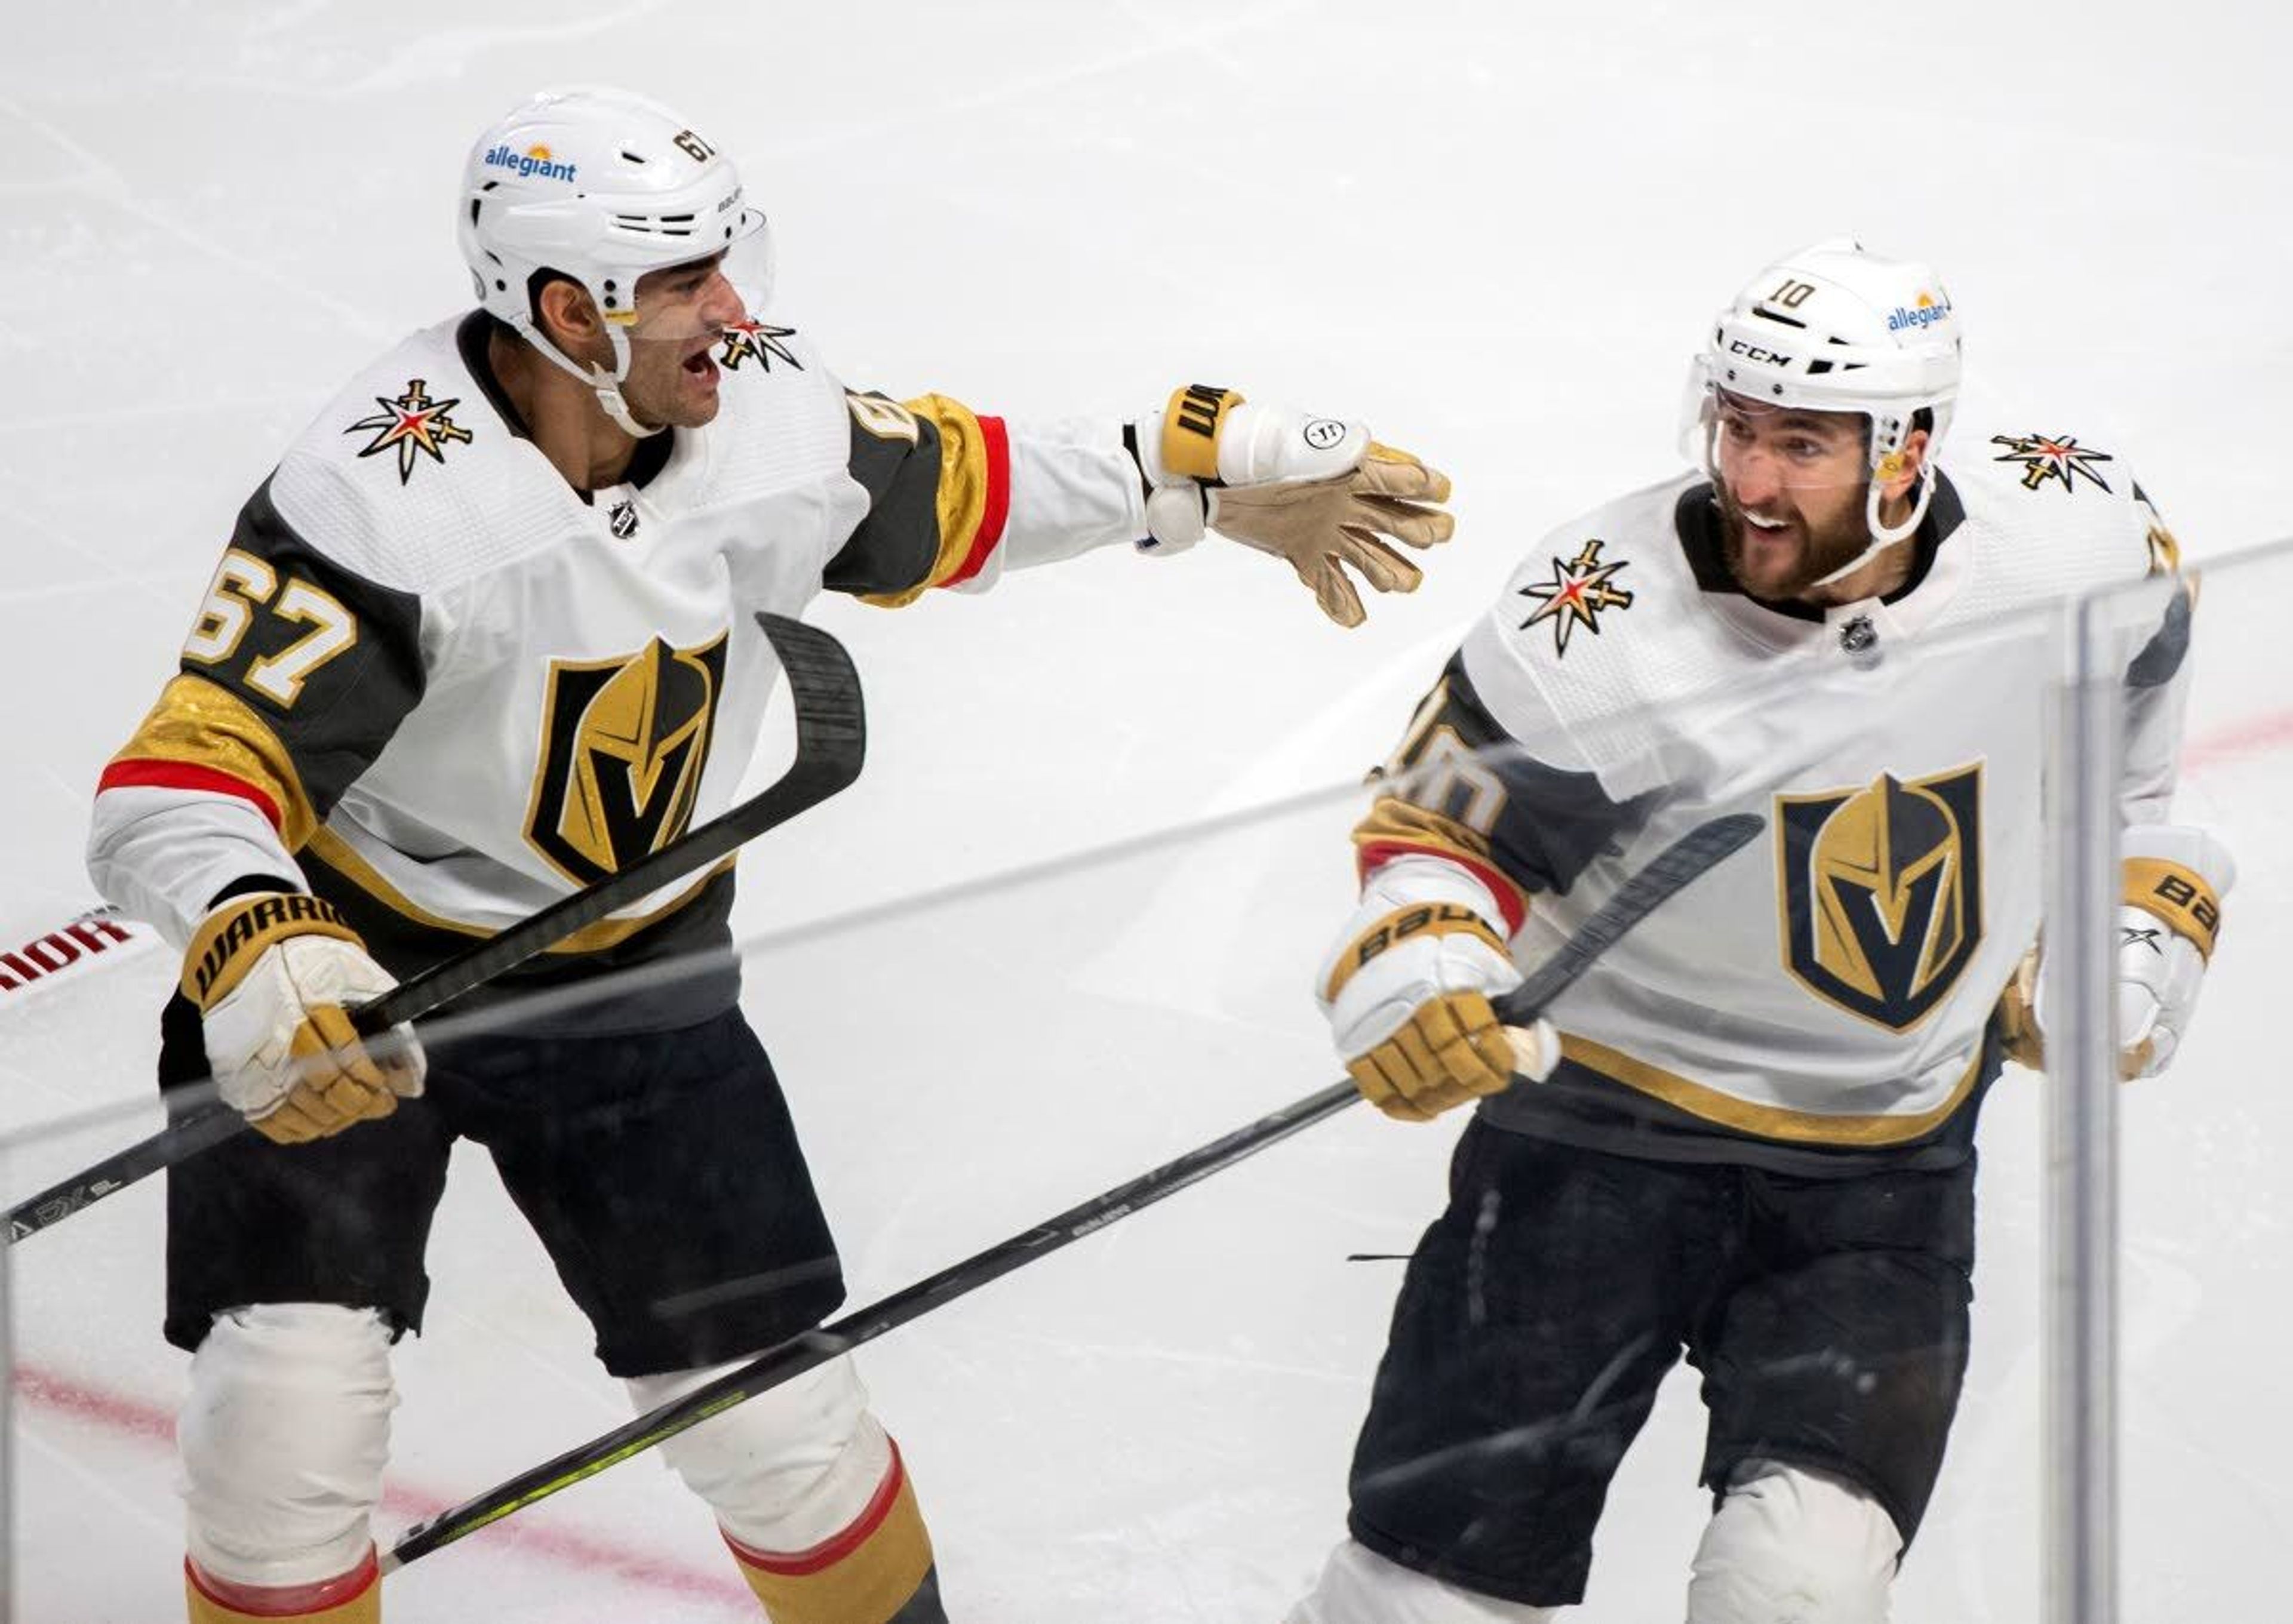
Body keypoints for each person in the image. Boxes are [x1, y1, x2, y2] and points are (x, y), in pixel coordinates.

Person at [84, 85, 1455, 1624]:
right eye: (684, 283)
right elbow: (179, 780)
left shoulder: (757, 419)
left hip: (636, 991)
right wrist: (256, 939)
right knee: (281, 1439)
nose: (734, 312)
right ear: (562, 311)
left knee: (784, 1430)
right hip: (368, 977)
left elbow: (961, 486)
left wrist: (1188, 477)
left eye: (729, 262)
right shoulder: (385, 501)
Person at [1287, 239, 2234, 1623]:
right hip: (1592, 1146)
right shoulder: (1603, 614)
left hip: (1881, 1174)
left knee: (1798, 1590)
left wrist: (2138, 909)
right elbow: (1445, 830)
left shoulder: (2067, 532)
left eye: (1801, 442)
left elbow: (2144, 758)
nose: (1748, 480)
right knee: (1420, 1599)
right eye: (1736, 426)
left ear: (1906, 452)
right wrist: (1425, 958)